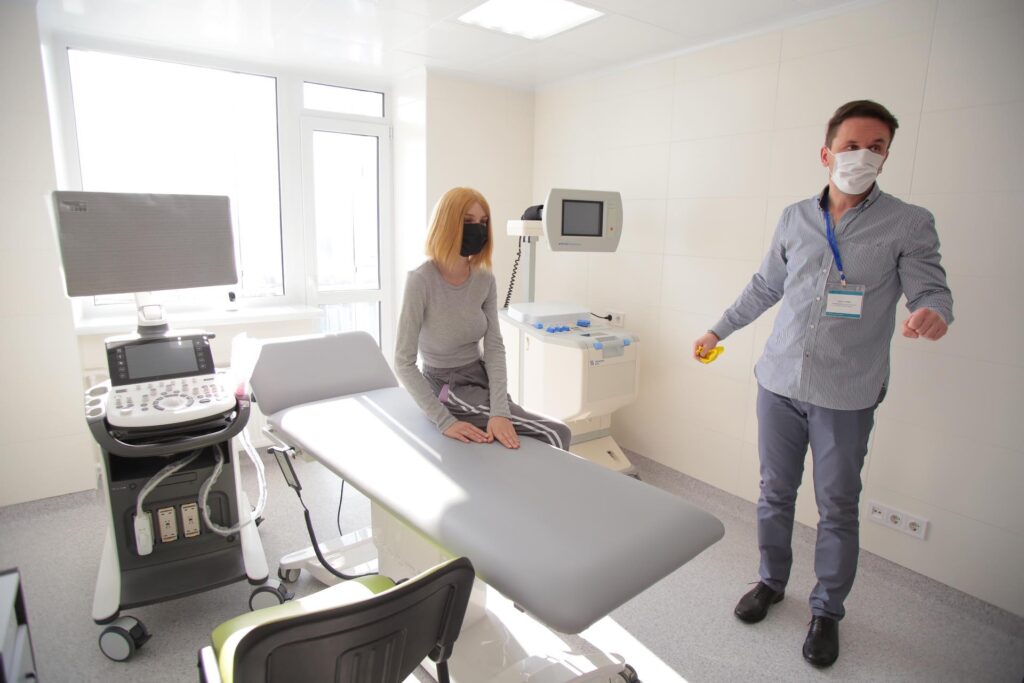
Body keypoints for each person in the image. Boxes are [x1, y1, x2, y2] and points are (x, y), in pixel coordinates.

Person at [692, 100, 953, 668]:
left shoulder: (908, 222)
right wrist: (718, 329)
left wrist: (933, 311)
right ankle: (770, 581)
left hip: (846, 393)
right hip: (780, 380)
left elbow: (931, 289)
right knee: (774, 491)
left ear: (887, 156)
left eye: (876, 147)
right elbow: (766, 286)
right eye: (851, 145)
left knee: (837, 505)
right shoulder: (795, 218)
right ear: (826, 153)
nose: (863, 156)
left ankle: (827, 610)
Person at [395, 186, 572, 451]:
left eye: (483, 222)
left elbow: (494, 347)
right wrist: (444, 420)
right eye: (468, 221)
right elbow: (403, 362)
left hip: (480, 376)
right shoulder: (421, 281)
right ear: (447, 224)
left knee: (521, 430)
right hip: (446, 386)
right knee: (557, 433)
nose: (477, 229)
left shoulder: (484, 278)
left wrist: (499, 411)